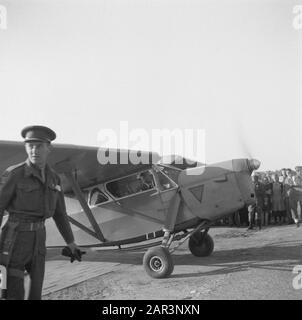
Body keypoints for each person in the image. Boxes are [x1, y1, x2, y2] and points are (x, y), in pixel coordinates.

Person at [0, 125, 81, 300]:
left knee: (35, 291)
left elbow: (60, 213)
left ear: (48, 148)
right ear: (25, 147)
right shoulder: (14, 174)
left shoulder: (54, 178)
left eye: (39, 146)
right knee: (13, 292)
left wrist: (71, 243)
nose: (34, 150)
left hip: (39, 238)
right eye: (30, 146)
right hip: (14, 239)